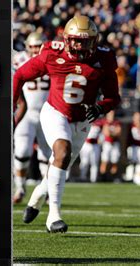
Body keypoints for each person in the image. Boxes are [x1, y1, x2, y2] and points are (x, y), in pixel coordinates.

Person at [13, 15, 121, 233]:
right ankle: (53, 216)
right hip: (55, 112)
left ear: (95, 40)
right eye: (76, 40)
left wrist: (101, 107)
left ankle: (36, 196)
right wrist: (12, 105)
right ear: (66, 39)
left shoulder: (104, 58)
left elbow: (113, 97)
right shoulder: (52, 54)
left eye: (86, 40)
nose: (81, 45)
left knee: (61, 166)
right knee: (62, 153)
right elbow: (20, 75)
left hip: (82, 120)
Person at [12, 32, 52, 204]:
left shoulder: (50, 58)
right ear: (27, 47)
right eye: (32, 46)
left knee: (47, 154)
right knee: (22, 151)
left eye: (38, 46)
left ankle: (47, 189)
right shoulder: (18, 59)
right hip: (26, 113)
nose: (36, 50)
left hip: (47, 112)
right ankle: (20, 187)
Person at [99, 110, 122, 181]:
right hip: (107, 143)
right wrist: (113, 133)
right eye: (110, 114)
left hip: (115, 144)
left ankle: (113, 177)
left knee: (114, 161)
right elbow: (106, 132)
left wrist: (112, 133)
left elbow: (119, 132)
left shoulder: (117, 122)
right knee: (104, 160)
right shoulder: (105, 122)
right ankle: (103, 177)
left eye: (113, 114)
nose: (111, 116)